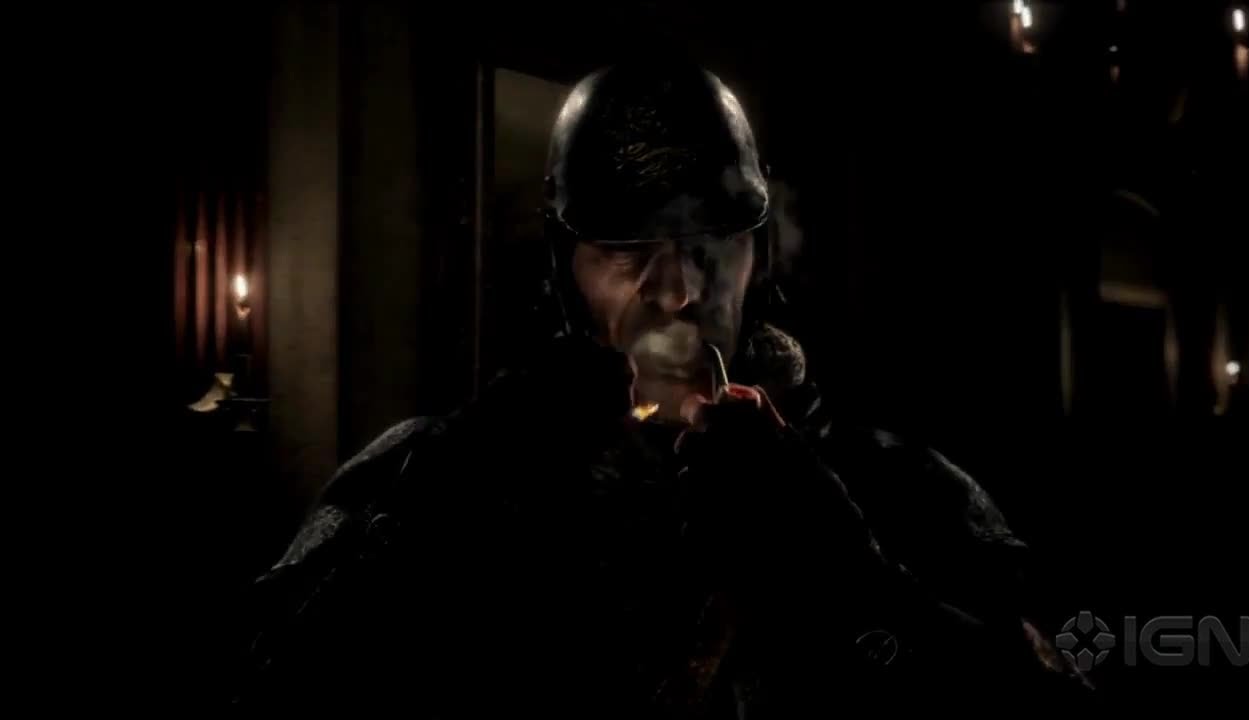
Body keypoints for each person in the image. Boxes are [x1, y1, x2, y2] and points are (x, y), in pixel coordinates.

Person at [233, 60, 1087, 716]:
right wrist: (455, 508)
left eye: (710, 242)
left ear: (759, 256)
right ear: (566, 266)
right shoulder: (430, 472)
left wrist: (846, 573)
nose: (676, 292)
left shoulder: (903, 488)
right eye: (623, 248)